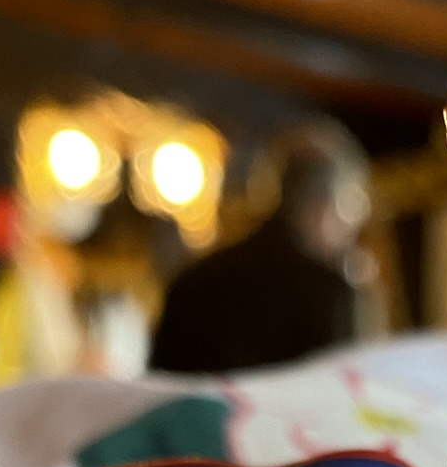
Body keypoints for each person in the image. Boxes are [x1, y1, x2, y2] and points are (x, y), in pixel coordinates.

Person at [149, 121, 371, 374]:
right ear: (330, 202)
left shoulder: (191, 280)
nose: (352, 227)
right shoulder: (329, 291)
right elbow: (342, 390)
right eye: (353, 205)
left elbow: (161, 386)